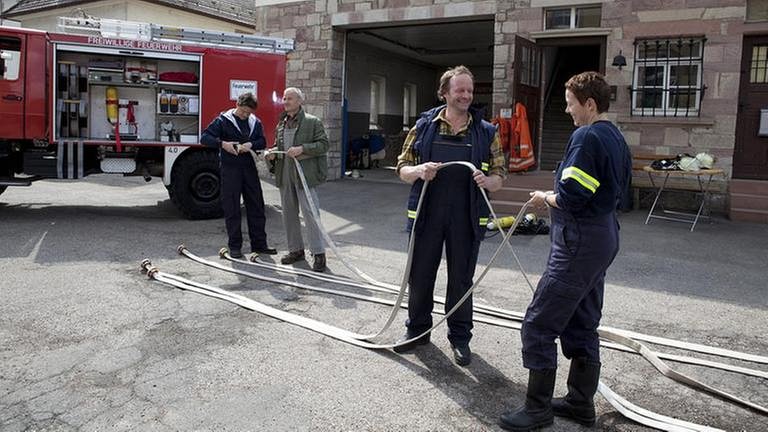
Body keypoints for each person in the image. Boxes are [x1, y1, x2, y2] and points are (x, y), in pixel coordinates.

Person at [499, 72, 632, 431]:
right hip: (603, 235)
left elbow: (573, 196)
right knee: (582, 320)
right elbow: (615, 191)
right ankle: (579, 403)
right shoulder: (615, 136)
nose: (567, 109)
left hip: (579, 241)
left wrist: (545, 198)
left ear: (589, 104)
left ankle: (537, 409)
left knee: (539, 323)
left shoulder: (586, 136)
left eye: (571, 102)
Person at [394, 65, 506, 366]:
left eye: (469, 91)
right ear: (445, 93)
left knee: (461, 280)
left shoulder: (486, 131)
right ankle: (417, 332)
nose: (466, 96)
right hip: (427, 213)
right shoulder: (424, 126)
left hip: (467, 215)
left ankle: (460, 339)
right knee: (420, 276)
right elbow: (402, 168)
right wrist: (420, 170)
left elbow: (500, 174)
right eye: (460, 90)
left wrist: (489, 181)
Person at [201, 92, 276, 259]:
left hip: (249, 168)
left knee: (257, 205)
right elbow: (205, 137)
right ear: (237, 105)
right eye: (243, 111)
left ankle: (260, 244)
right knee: (232, 207)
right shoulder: (223, 120)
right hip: (230, 169)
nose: (245, 115)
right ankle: (235, 246)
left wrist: (251, 144)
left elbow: (262, 142)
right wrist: (223, 144)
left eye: (248, 112)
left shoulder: (255, 122)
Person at [267, 87, 329, 272]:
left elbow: (324, 145)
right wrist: (272, 152)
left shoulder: (312, 122)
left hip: (305, 174)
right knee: (289, 214)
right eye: (284, 98)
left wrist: (302, 149)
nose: (285, 101)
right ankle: (296, 250)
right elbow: (280, 145)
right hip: (285, 174)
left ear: (300, 101)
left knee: (310, 213)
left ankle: (318, 254)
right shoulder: (282, 123)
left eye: (290, 98)